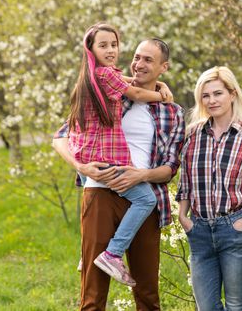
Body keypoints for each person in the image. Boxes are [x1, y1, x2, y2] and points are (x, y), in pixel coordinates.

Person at [53, 37, 185, 310]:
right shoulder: (107, 95)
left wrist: (141, 175)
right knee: (93, 293)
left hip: (145, 198)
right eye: (137, 57)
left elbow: (171, 167)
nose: (139, 64)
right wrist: (80, 166)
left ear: (164, 67)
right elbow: (60, 137)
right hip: (100, 193)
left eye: (148, 60)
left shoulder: (172, 112)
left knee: (147, 291)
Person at [176, 66, 242, 311]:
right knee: (206, 306)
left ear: (232, 94)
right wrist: (183, 216)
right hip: (199, 230)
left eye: (217, 93)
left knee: (236, 305)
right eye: (205, 95)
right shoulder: (192, 135)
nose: (211, 100)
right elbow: (185, 180)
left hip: (235, 228)